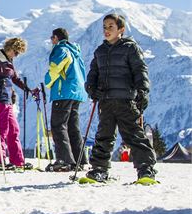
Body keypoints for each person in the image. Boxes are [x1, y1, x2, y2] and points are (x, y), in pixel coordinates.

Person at [84, 13, 157, 183]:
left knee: (134, 136)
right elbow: (93, 74)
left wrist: (143, 91)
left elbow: (140, 70)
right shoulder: (100, 51)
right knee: (104, 136)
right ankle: (99, 170)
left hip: (126, 100)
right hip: (106, 101)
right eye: (104, 27)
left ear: (121, 29)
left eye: (111, 27)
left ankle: (146, 170)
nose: (107, 30)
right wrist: (91, 88)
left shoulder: (130, 48)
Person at [43, 28, 89, 172]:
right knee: (72, 127)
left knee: (58, 125)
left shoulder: (61, 49)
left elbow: (55, 68)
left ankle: (64, 160)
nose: (51, 41)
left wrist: (47, 81)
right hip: (77, 93)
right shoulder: (75, 51)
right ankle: (79, 160)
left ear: (56, 37)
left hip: (63, 92)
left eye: (52, 38)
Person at [0, 37, 33, 171]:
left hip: (7, 100)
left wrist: (27, 89)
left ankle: (18, 161)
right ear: (9, 48)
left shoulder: (8, 61)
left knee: (14, 130)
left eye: (18, 53)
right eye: (16, 51)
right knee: (1, 130)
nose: (16, 55)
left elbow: (15, 78)